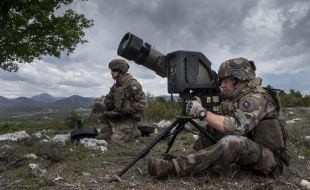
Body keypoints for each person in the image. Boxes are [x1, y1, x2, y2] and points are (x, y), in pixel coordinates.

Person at [148, 57, 290, 177]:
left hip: (272, 162)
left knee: (233, 142)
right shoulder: (240, 96)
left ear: (238, 79)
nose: (222, 85)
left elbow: (236, 127)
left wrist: (202, 113)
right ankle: (195, 161)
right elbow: (224, 109)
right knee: (211, 128)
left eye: (225, 81)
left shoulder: (257, 98)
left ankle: (172, 168)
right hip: (257, 150)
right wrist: (201, 103)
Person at [92, 59, 148, 143]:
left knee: (116, 140)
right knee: (99, 134)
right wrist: (102, 106)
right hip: (117, 115)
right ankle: (110, 131)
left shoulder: (132, 84)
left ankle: (134, 131)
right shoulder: (116, 86)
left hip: (129, 117)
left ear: (121, 71)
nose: (111, 72)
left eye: (114, 70)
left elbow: (143, 103)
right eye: (111, 70)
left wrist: (127, 111)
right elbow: (108, 100)